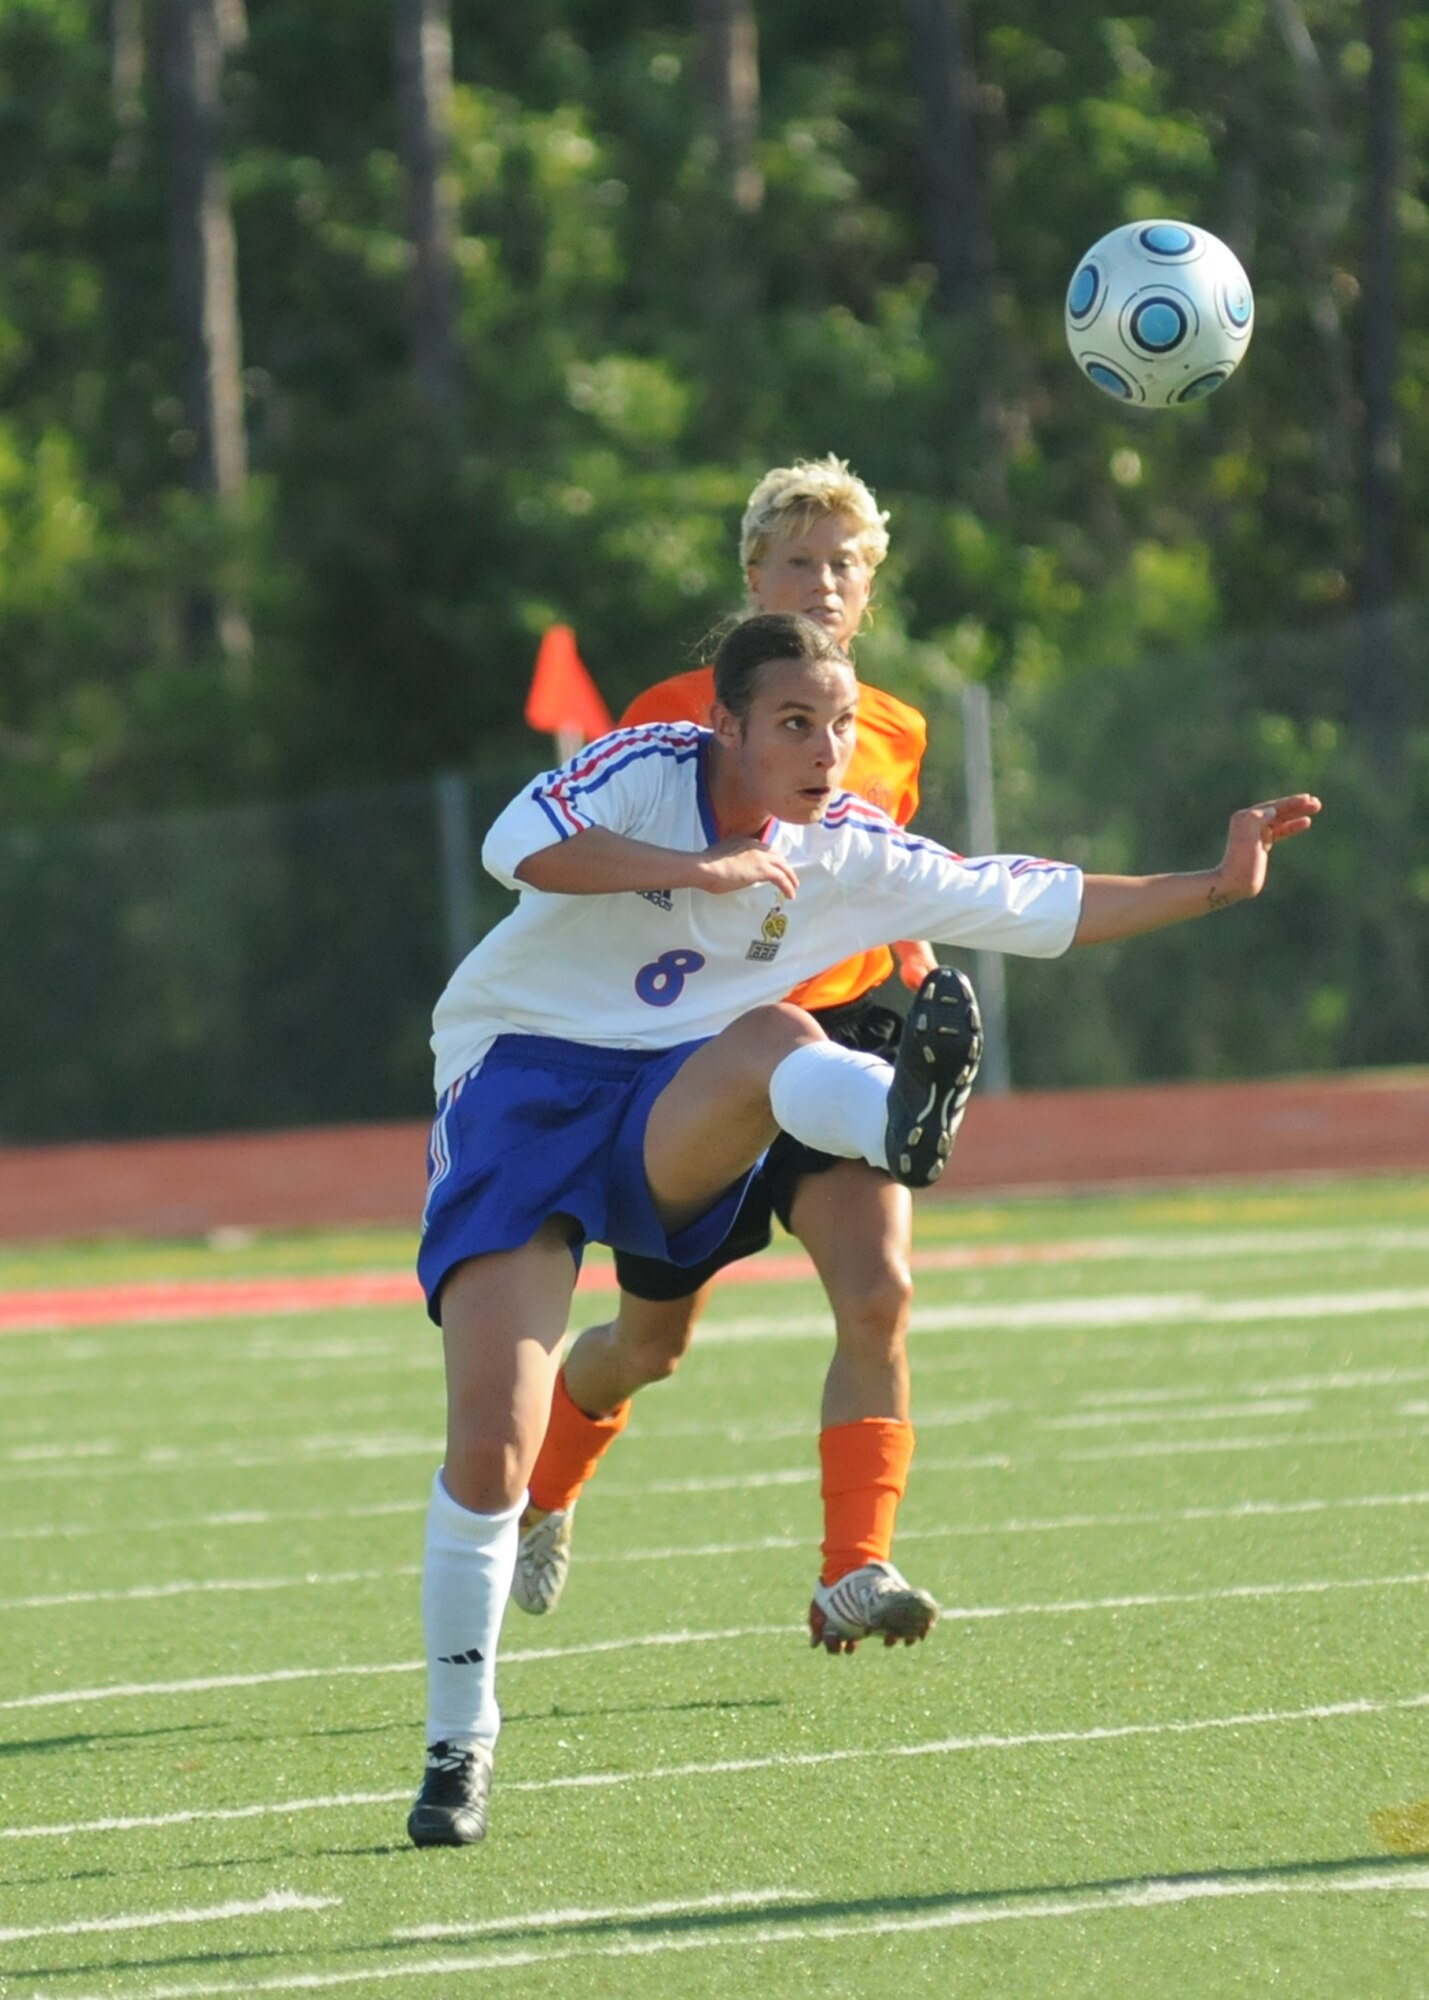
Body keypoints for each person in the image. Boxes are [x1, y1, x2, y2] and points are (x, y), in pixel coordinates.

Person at [407, 606, 1320, 1845]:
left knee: (784, 1034)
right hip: (518, 1079)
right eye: (792, 722)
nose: (825, 749)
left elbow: (1025, 899)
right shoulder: (647, 769)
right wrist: (697, 866)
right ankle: (460, 1747)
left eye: (837, 723)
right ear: (721, 721)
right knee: (490, 1452)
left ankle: (896, 1123)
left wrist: (1214, 883)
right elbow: (520, 847)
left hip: (672, 1097)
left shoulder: (846, 845)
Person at [512, 454, 958, 1659]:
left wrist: (910, 958)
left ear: (869, 590)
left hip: (840, 1031)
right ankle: (544, 1484)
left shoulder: (896, 729)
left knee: (880, 1291)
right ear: (754, 575)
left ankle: (851, 1569)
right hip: (702, 1043)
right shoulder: (671, 706)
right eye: (799, 561)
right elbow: (604, 856)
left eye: (844, 565)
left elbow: (874, 865)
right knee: (648, 1347)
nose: (822, 582)